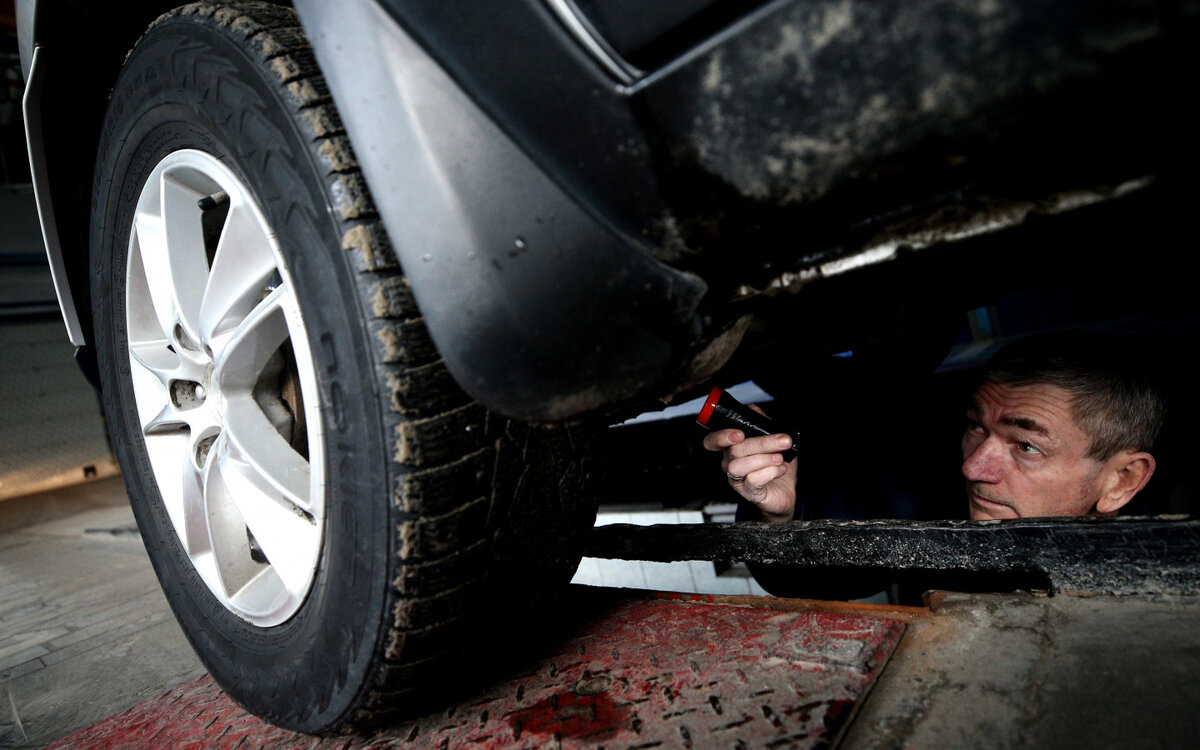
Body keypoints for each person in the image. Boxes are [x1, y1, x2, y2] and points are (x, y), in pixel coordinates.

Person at [705, 331, 1164, 524]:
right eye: (975, 427)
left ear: (1121, 480)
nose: (973, 469)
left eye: (1026, 445)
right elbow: (823, 579)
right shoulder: (924, 495)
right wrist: (779, 517)